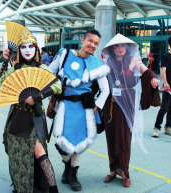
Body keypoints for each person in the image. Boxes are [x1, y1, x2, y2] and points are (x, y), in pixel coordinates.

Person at [0, 21, 62, 193]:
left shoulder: (42, 67)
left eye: (31, 46)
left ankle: (53, 189)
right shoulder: (15, 68)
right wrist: (6, 61)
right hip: (16, 117)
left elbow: (57, 86)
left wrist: (37, 96)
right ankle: (21, 187)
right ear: (19, 50)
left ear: (36, 49)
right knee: (16, 155)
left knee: (40, 153)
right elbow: (2, 82)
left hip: (34, 118)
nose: (27, 50)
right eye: (24, 47)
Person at [49, 29, 110, 191]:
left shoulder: (96, 64)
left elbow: (105, 90)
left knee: (78, 141)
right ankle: (67, 166)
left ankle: (73, 174)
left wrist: (98, 105)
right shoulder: (64, 55)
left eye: (96, 43)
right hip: (63, 107)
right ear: (82, 40)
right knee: (61, 143)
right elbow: (47, 72)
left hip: (84, 109)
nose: (92, 45)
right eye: (90, 41)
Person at [101, 34, 160, 187]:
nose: (120, 49)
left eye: (122, 46)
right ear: (112, 48)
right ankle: (113, 169)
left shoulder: (133, 61)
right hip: (110, 104)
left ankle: (125, 173)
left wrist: (154, 79)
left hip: (126, 103)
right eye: (116, 46)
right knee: (111, 137)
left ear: (126, 47)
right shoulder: (107, 62)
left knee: (125, 138)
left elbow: (148, 73)